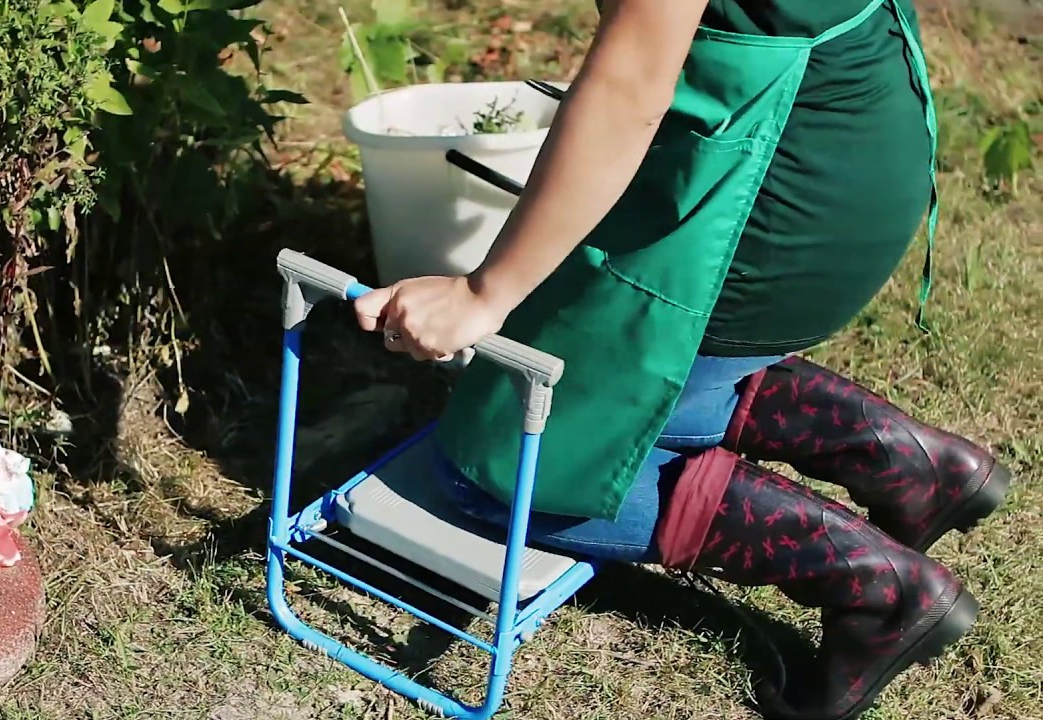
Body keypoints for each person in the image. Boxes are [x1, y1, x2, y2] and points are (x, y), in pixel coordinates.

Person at [352, 1, 1012, 719]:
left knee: (495, 467)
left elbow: (627, 91)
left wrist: (483, 292)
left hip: (776, 195)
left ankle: (879, 588)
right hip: (859, 134)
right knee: (598, 389)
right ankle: (911, 465)